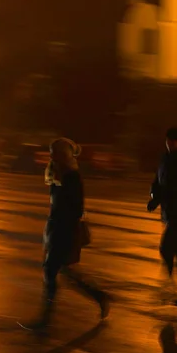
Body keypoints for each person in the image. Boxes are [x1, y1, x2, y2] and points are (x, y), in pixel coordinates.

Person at [22, 138, 109, 330]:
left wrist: (62, 227)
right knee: (65, 272)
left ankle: (44, 319)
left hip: (65, 231)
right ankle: (99, 296)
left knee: (50, 271)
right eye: (51, 151)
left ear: (64, 155)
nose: (51, 155)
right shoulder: (57, 173)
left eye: (55, 152)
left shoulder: (72, 176)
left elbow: (77, 208)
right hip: (55, 229)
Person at [148, 127, 177, 307]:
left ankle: (170, 283)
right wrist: (153, 196)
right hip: (169, 211)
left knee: (166, 246)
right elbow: (157, 180)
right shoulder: (165, 157)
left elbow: (176, 185)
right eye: (167, 140)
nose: (168, 144)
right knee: (175, 250)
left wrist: (158, 197)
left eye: (172, 141)